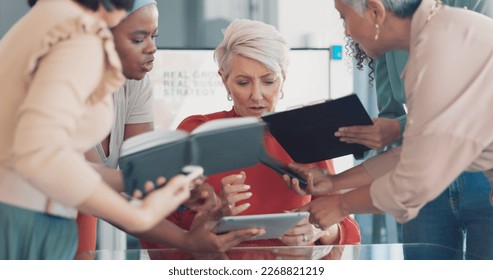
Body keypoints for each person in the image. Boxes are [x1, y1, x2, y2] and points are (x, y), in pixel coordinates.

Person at [284, 0, 493, 260]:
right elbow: (415, 153)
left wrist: (340, 205)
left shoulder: (439, 52)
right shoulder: (440, 34)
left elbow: (415, 182)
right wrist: (335, 183)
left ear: (376, 11)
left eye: (343, 18)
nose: (347, 32)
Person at [140, 19, 361, 257]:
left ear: (283, 77)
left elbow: (348, 231)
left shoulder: (306, 132)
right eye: (243, 82)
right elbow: (155, 232)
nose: (257, 95)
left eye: (268, 81)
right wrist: (209, 217)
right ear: (224, 79)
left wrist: (322, 232)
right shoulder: (196, 132)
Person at [0, 0, 195, 260]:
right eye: (137, 38)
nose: (151, 48)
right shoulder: (81, 36)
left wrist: (142, 182)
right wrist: (139, 215)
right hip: (27, 221)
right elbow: (39, 154)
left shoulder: (49, 19)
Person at [76, 0, 264, 256]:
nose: (152, 49)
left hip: (83, 211)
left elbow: (143, 175)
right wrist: (184, 237)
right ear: (101, 36)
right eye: (138, 39)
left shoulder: (134, 84)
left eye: (154, 36)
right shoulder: (67, 88)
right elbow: (90, 186)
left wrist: (182, 192)